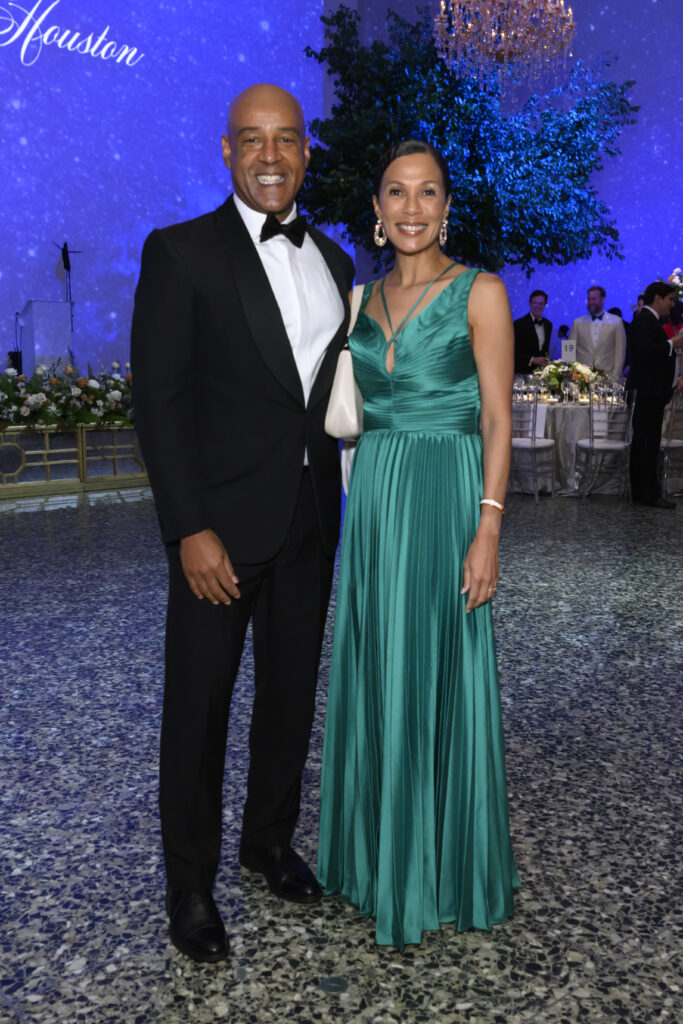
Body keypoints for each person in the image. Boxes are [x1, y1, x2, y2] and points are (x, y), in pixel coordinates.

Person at [131, 83, 354, 962]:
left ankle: (267, 841)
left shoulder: (335, 262)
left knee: (289, 699)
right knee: (198, 710)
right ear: (226, 151)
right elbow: (161, 402)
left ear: (306, 154)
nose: (270, 155)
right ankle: (188, 887)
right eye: (252, 140)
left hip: (307, 523)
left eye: (287, 140)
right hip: (217, 535)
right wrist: (189, 527)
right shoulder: (181, 253)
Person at [317, 139, 520, 950]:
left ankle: (439, 866)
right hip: (374, 503)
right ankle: (376, 864)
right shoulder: (358, 302)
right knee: (376, 668)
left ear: (446, 206)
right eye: (395, 194)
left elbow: (499, 419)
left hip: (447, 495)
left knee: (440, 670)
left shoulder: (481, 291)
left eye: (426, 193)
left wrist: (489, 526)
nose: (410, 208)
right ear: (376, 209)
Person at [627, 282, 683, 508]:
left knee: (646, 441)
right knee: (647, 442)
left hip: (653, 392)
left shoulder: (649, 321)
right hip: (649, 391)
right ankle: (647, 493)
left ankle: (644, 491)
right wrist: (673, 343)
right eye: (670, 299)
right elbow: (648, 352)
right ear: (657, 298)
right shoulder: (644, 320)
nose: (672, 304)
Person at [569, 286, 627, 379]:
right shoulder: (577, 322)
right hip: (581, 380)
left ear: (602, 299)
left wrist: (615, 378)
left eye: (594, 299)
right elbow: (568, 354)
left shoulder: (617, 322)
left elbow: (620, 353)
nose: (590, 302)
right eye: (589, 299)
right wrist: (572, 377)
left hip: (607, 380)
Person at [513, 289, 552, 373]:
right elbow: (513, 350)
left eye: (541, 303)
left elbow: (545, 350)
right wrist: (532, 360)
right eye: (534, 303)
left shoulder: (548, 324)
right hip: (522, 372)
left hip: (541, 374)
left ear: (545, 305)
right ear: (530, 303)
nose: (537, 306)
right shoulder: (518, 324)